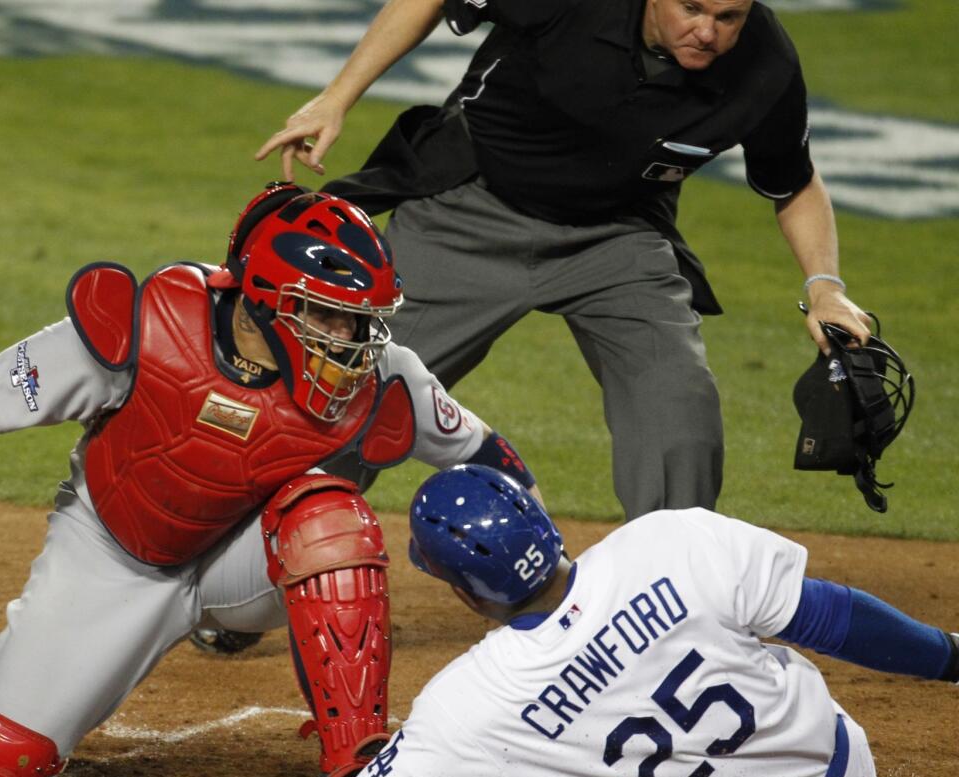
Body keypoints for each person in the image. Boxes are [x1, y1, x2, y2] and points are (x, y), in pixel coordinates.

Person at [0, 184, 542, 777]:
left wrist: (552, 573)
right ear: (265, 298)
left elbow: (485, 453)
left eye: (360, 320)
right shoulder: (144, 324)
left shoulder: (386, 377)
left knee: (331, 517)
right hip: (109, 553)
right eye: (328, 317)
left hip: (240, 561)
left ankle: (356, 758)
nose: (351, 340)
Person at [83, 464, 957, 777]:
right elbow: (837, 619)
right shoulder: (673, 540)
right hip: (843, 756)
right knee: (771, 648)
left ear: (461, 590)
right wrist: (952, 656)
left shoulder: (476, 706)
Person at [254, 0, 873, 519]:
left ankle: (679, 593)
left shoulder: (764, 63)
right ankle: (244, 573)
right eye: (691, 7)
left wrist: (826, 288)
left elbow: (794, 183)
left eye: (728, 15)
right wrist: (336, 98)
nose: (708, 31)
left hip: (618, 239)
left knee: (679, 413)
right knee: (344, 398)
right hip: (469, 212)